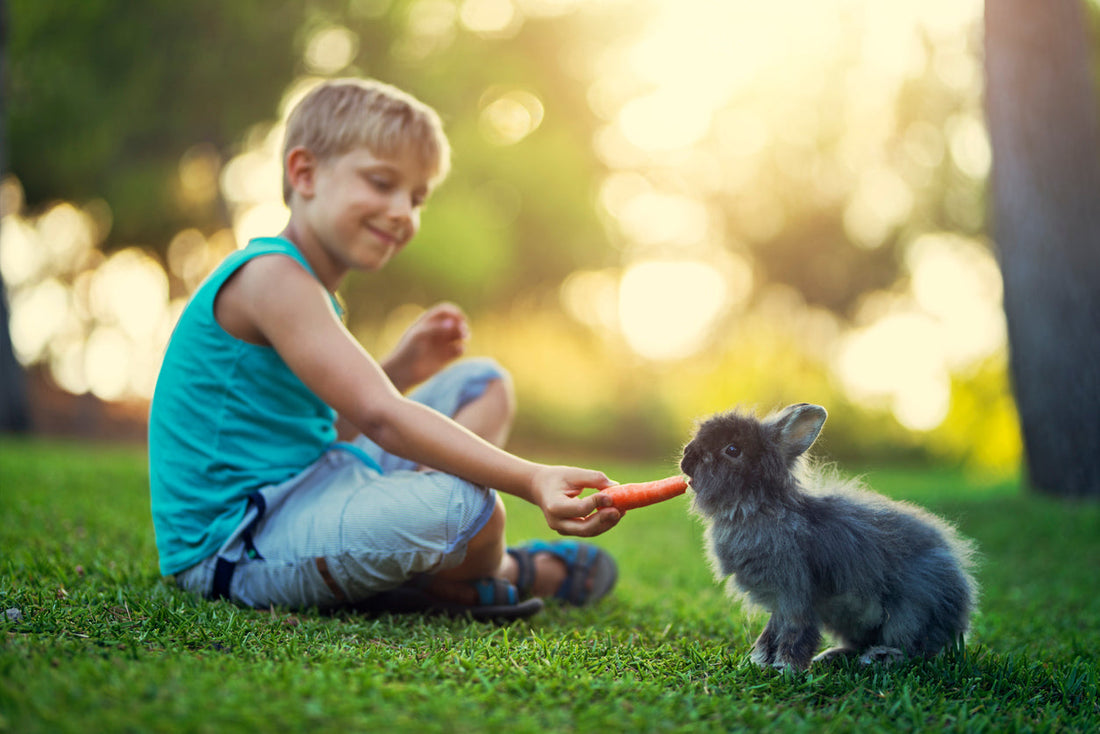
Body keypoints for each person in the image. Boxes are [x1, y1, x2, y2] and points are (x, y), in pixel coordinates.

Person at [148, 78, 623, 621]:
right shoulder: (273, 278)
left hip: (311, 483)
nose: (402, 211)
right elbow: (379, 416)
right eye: (381, 183)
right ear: (304, 174)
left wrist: (401, 368)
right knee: (470, 505)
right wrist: (531, 478)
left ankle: (432, 565)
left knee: (483, 382)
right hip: (236, 544)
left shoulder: (308, 288)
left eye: (417, 197)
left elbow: (316, 427)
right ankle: (508, 571)